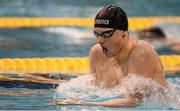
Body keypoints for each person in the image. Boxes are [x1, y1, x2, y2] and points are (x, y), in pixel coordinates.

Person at [53, 5, 167, 107]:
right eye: (97, 34)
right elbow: (94, 88)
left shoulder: (141, 52)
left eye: (106, 34)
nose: (99, 41)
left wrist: (82, 103)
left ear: (124, 33)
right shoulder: (97, 52)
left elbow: (135, 102)